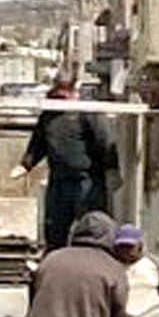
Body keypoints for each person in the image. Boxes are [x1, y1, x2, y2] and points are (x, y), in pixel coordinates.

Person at [21, 82, 118, 248]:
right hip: (58, 180)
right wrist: (26, 164)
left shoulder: (87, 113)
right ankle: (55, 258)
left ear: (74, 94)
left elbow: (104, 143)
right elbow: (38, 143)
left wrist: (112, 170)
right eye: (56, 97)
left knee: (92, 224)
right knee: (55, 226)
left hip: (87, 180)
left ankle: (93, 260)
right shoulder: (48, 116)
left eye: (62, 97)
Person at [112, 223, 159, 317]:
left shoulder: (155, 263)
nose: (126, 251)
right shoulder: (112, 266)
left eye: (130, 246)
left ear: (140, 245)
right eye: (122, 246)